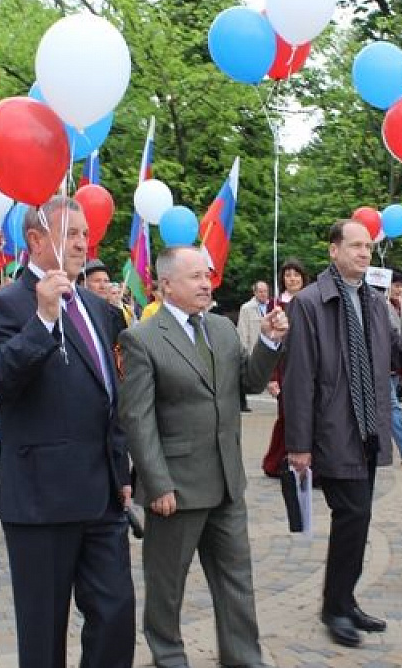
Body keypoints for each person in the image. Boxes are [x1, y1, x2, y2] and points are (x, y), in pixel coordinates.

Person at [0, 196, 134, 668]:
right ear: (36, 239)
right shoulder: (6, 304)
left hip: (101, 494)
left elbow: (110, 395)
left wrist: (122, 469)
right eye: (73, 234)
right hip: (41, 497)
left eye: (87, 234)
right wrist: (43, 320)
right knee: (44, 632)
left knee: (116, 611)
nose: (84, 243)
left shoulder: (96, 307)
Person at [119, 246, 286, 668]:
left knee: (236, 582)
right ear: (166, 284)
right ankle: (169, 656)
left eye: (207, 275)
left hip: (227, 482)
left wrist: (268, 340)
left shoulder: (222, 329)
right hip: (175, 488)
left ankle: (243, 658)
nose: (205, 283)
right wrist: (156, 484)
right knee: (167, 585)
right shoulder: (141, 338)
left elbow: (247, 381)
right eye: (194, 277)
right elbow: (137, 419)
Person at [284, 220, 402, 648]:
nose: (363, 253)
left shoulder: (373, 301)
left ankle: (344, 600)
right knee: (352, 514)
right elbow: (298, 378)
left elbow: (394, 354)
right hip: (333, 428)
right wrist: (298, 444)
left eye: (368, 246)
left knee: (359, 517)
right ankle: (335, 608)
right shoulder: (311, 302)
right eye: (355, 246)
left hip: (369, 428)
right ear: (333, 250)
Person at [260, 258, 310, 478]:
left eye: (296, 274)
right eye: (288, 275)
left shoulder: (311, 300)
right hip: (284, 365)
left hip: (310, 365)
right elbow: (271, 340)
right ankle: (278, 461)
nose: (292, 278)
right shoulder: (276, 305)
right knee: (287, 416)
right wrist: (272, 377)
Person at [388, 270, 402, 467]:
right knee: (393, 407)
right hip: (385, 364)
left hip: (397, 365)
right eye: (395, 285)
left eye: (401, 286)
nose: (399, 289)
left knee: (393, 406)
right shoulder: (381, 305)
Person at [236, 280, 270, 356]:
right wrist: (244, 355)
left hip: (270, 351)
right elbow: (242, 333)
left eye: (265, 291)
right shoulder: (246, 308)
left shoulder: (273, 307)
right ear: (255, 293)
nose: (263, 294)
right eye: (260, 292)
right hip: (254, 352)